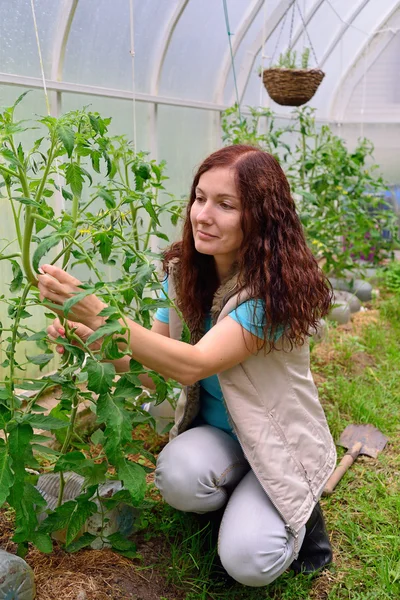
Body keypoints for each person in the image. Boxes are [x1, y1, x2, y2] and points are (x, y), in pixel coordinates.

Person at [40, 144, 336, 587]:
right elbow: (150, 366)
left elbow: (192, 365)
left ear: (260, 218)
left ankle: (301, 520)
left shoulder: (270, 293)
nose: (203, 214)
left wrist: (99, 312)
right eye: (199, 198)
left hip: (277, 441)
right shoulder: (184, 275)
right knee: (176, 476)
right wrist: (93, 340)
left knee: (249, 562)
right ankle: (241, 496)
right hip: (222, 435)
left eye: (225, 204)